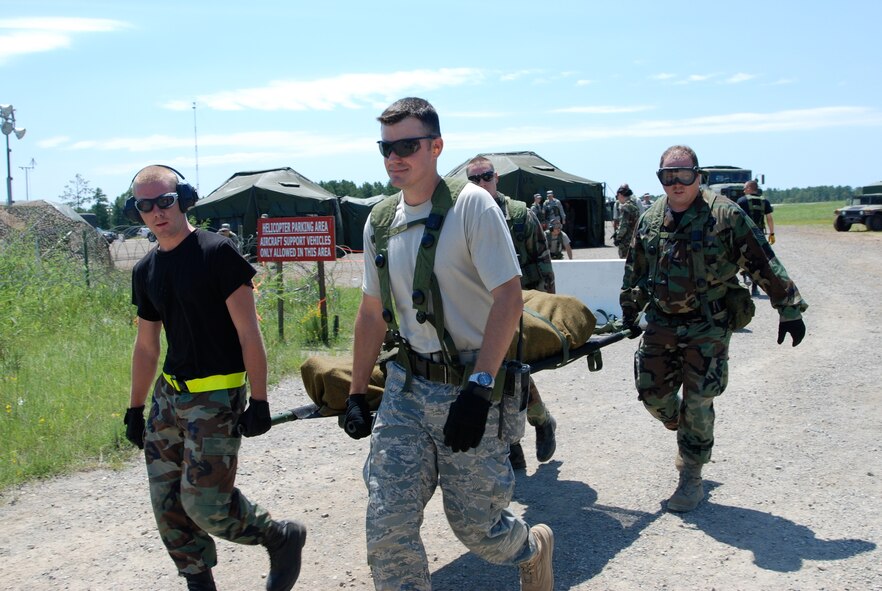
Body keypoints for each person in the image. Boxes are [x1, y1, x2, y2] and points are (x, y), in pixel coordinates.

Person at [341, 97, 554, 591]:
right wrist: (355, 393)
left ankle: (533, 547)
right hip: (406, 390)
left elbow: (509, 297)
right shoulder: (379, 220)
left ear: (436, 147)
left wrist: (480, 389)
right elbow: (371, 313)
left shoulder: (472, 206)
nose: (396, 157)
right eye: (386, 148)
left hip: (469, 386)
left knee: (478, 529)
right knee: (386, 523)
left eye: (408, 146)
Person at [123, 165, 306, 591]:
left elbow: (249, 332)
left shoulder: (216, 252)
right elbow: (147, 346)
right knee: (167, 504)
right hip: (168, 399)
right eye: (144, 205)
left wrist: (258, 399)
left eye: (164, 201)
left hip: (217, 397)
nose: (156, 212)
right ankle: (199, 585)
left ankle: (279, 538)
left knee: (206, 505)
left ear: (183, 199)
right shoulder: (146, 269)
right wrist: (135, 408)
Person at [620, 145, 807, 513]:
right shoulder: (651, 218)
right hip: (662, 321)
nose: (675, 184)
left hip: (708, 323)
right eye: (667, 177)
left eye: (683, 175)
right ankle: (683, 427)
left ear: (698, 175)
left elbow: (761, 260)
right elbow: (636, 267)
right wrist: (629, 308)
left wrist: (789, 308)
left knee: (700, 399)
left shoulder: (724, 214)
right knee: (652, 393)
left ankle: (691, 473)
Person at [465, 156, 558, 471]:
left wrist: (547, 311)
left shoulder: (519, 215)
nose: (481, 183)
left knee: (513, 373)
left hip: (523, 307)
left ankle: (539, 422)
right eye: (473, 179)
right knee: (495, 375)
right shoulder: (464, 216)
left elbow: (541, 260)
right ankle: (514, 444)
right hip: (482, 310)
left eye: (486, 176)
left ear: (497, 178)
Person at [736, 180, 776, 295]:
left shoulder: (741, 201)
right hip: (760, 236)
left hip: (744, 235)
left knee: (743, 258)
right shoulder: (765, 202)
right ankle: (755, 288)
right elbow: (769, 218)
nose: (743, 191)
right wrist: (772, 233)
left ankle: (745, 275)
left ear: (749, 188)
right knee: (759, 260)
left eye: (745, 188)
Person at [613, 184, 641, 260]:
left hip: (626, 240)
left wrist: (618, 238)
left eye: (617, 196)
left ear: (620, 195)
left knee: (624, 262)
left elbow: (623, 225)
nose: (617, 199)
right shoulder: (634, 205)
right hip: (635, 238)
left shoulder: (625, 207)